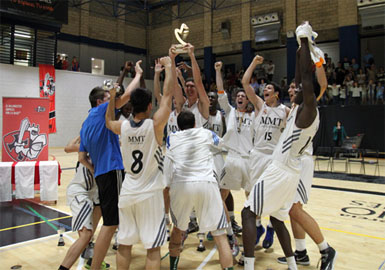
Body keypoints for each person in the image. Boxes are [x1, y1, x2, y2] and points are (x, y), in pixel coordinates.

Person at [241, 21, 336, 270]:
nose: (293, 88)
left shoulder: (308, 110)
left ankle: (249, 265)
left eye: (298, 88)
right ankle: (295, 262)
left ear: (308, 92)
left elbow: (306, 77)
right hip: (287, 169)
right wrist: (297, 50)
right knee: (279, 216)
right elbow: (299, 77)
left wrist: (304, 40)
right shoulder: (299, 107)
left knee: (249, 213)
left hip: (282, 168)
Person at [105, 56, 173, 270]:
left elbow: (108, 122)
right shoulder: (155, 126)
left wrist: (112, 98)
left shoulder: (122, 127)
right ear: (150, 105)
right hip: (150, 195)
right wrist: (169, 68)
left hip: (127, 192)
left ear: (131, 106)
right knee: (153, 249)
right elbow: (168, 95)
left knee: (124, 245)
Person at [78, 60, 142, 270]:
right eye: (108, 99)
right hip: (113, 169)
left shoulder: (86, 123)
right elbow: (126, 96)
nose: (112, 103)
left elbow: (81, 158)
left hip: (102, 174)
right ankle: (98, 265)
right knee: (111, 223)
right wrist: (138, 75)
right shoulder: (102, 112)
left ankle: (99, 263)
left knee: (113, 220)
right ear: (100, 102)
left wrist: (94, 168)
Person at [276, 64, 336, 269]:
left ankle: (326, 249)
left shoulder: (307, 106)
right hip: (290, 162)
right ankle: (301, 252)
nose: (292, 90)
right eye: (290, 87)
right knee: (293, 209)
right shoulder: (291, 109)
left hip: (301, 162)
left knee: (294, 208)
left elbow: (323, 85)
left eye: (296, 87)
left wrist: (317, 62)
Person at [166, 110, 234, 270]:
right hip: (206, 183)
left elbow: (168, 165)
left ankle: (173, 267)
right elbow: (223, 144)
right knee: (220, 235)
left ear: (178, 126)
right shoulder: (206, 133)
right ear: (195, 124)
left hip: (181, 184)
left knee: (177, 230)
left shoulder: (171, 137)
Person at [242, 55, 290, 250]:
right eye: (264, 90)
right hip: (257, 154)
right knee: (251, 194)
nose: (265, 91)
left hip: (274, 158)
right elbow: (245, 83)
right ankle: (260, 226)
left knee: (272, 195)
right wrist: (254, 63)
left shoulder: (286, 111)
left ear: (277, 94)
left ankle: (271, 226)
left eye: (269, 89)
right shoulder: (260, 106)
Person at [215, 61, 254, 234]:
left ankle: (253, 229)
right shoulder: (229, 111)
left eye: (243, 96)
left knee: (251, 196)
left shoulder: (254, 115)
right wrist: (218, 70)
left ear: (248, 99)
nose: (240, 97)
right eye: (238, 95)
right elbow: (220, 90)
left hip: (248, 159)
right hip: (231, 158)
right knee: (221, 194)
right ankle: (226, 228)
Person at [58, 136, 105, 270]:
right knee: (85, 235)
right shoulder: (92, 145)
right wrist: (81, 134)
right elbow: (68, 148)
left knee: (100, 208)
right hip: (80, 191)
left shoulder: (107, 145)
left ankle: (90, 255)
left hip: (93, 191)